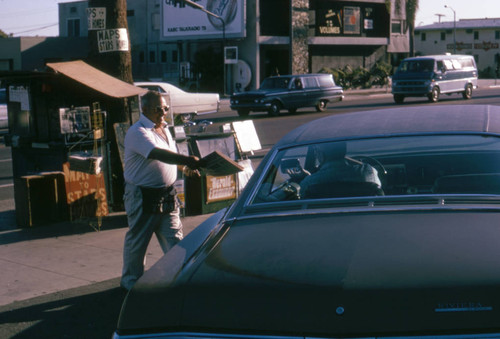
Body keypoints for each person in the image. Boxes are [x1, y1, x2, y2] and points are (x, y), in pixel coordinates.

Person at [120, 90, 202, 291]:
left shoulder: (164, 129)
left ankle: (179, 278)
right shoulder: (138, 132)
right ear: (145, 109)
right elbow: (158, 154)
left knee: (175, 237)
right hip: (142, 194)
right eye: (159, 109)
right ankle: (130, 283)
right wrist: (188, 160)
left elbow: (170, 158)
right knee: (138, 240)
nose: (163, 113)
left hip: (166, 193)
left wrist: (185, 169)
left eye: (166, 108)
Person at [299, 142, 382, 199]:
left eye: (316, 152)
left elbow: (300, 199)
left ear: (321, 154)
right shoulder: (368, 171)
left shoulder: (309, 183)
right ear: (344, 151)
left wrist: (307, 177)